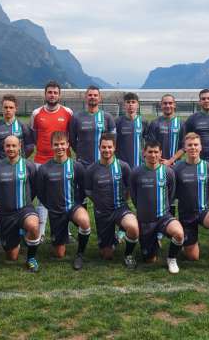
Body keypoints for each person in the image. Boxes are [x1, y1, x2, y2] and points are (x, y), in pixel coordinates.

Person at [174, 133, 209, 275]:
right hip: (186, 215)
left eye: (195, 145)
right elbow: (172, 195)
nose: (193, 147)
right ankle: (188, 243)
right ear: (185, 148)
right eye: (190, 145)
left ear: (201, 147)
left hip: (204, 211)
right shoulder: (177, 169)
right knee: (193, 257)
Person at [37, 131, 91, 270]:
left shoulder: (76, 166)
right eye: (56, 144)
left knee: (85, 221)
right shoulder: (44, 168)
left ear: (67, 145)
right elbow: (40, 193)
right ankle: (58, 240)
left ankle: (80, 254)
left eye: (62, 144)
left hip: (72, 207)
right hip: (56, 211)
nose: (59, 147)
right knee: (59, 254)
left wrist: (78, 204)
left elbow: (83, 187)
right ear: (51, 146)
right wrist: (51, 206)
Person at [129, 140, 184, 274]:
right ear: (144, 153)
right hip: (145, 220)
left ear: (160, 154)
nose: (153, 155)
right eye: (150, 152)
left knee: (179, 233)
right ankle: (153, 241)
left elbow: (171, 194)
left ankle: (171, 258)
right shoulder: (136, 172)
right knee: (149, 259)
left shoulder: (168, 172)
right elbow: (134, 196)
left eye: (156, 152)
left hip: (163, 217)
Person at [85, 133, 139, 269]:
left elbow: (129, 187)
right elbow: (88, 190)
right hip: (102, 212)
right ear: (99, 147)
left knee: (133, 228)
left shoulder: (123, 166)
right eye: (104, 147)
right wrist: (99, 201)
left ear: (114, 148)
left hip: (120, 209)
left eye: (109, 147)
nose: (106, 150)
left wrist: (124, 200)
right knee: (107, 255)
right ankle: (113, 240)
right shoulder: (92, 169)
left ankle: (128, 254)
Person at [0, 136, 41, 272]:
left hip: (25, 209)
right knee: (11, 257)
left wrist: (26, 201)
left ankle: (31, 258)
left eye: (14, 146)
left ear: (19, 147)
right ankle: (18, 236)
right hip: (6, 213)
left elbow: (35, 187)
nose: (11, 149)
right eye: (8, 146)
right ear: (4, 147)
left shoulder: (29, 165)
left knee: (33, 226)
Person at [30, 81, 73, 241]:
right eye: (50, 92)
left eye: (55, 92)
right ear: (45, 94)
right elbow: (34, 136)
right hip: (41, 161)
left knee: (64, 197)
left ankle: (66, 232)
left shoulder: (68, 112)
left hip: (63, 162)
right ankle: (40, 233)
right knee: (42, 198)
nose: (52, 95)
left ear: (59, 95)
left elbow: (71, 134)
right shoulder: (36, 113)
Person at [69, 85, 116, 168]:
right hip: (82, 164)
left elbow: (113, 140)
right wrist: (81, 152)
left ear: (100, 98)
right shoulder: (76, 117)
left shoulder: (108, 117)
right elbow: (72, 140)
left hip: (103, 163)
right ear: (85, 98)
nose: (92, 97)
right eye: (90, 95)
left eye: (95, 95)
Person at [0, 94, 34, 162]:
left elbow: (30, 147)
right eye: (5, 107)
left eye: (11, 107)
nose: (8, 110)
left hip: (19, 165)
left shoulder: (24, 127)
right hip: (1, 166)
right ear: (2, 108)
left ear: (15, 109)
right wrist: (0, 159)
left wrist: (21, 159)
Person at [147, 94, 185, 167]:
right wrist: (159, 160)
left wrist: (171, 161)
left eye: (170, 103)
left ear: (174, 105)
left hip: (176, 165)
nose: (167, 106)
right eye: (165, 103)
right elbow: (151, 145)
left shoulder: (181, 124)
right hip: (157, 165)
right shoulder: (155, 123)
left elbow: (184, 147)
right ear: (161, 105)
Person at [115, 92, 148, 169]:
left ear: (137, 105)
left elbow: (148, 142)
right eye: (128, 102)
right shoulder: (117, 122)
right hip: (121, 164)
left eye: (133, 102)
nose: (130, 104)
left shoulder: (143, 122)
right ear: (124, 105)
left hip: (139, 164)